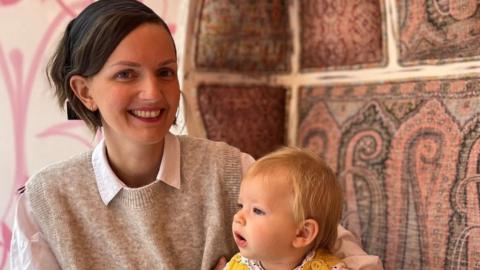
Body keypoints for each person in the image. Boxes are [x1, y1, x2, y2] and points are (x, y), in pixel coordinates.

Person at [9, 0, 383, 269]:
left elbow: (350, 259)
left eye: (165, 72)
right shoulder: (44, 204)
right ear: (84, 92)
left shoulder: (233, 170)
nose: (153, 93)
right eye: (126, 74)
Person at [225, 147, 346, 270]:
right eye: (241, 206)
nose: (238, 217)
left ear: (302, 233)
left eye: (257, 210)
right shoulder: (236, 266)